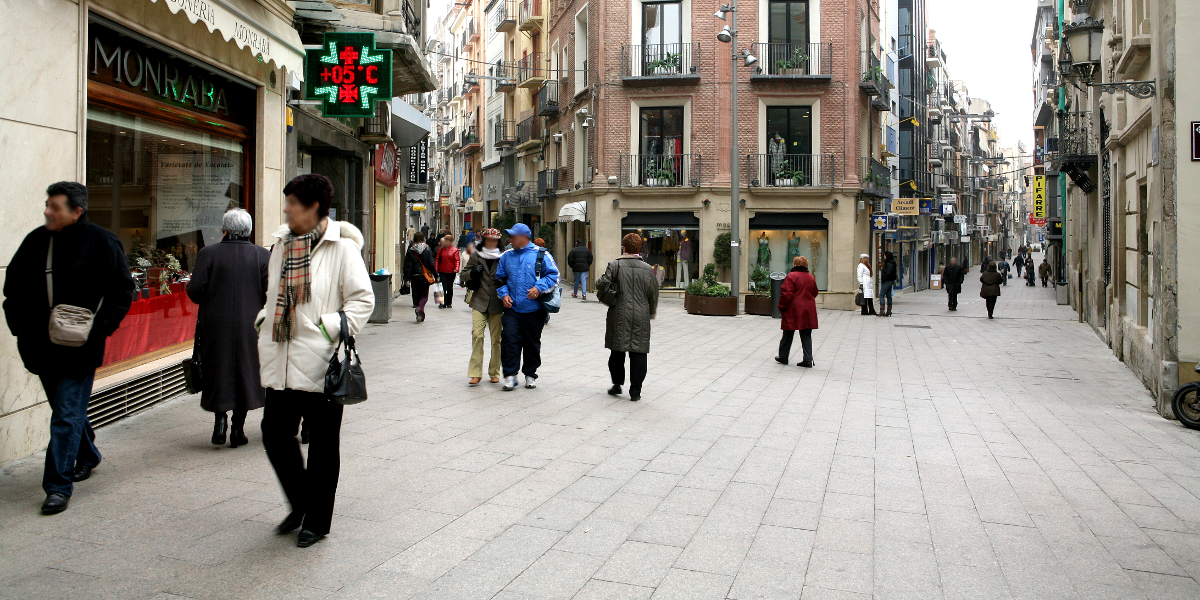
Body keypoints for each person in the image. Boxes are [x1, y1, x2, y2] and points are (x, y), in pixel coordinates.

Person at [3, 182, 135, 514]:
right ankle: (88, 454)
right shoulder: (36, 240)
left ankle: (57, 486)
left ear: (77, 211)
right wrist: (19, 328)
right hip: (39, 347)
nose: (48, 211)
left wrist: (100, 329)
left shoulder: (103, 242)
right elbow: (12, 289)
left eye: (55, 207)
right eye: (48, 204)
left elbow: (122, 292)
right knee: (68, 412)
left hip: (81, 348)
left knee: (65, 415)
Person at [257, 174, 373, 548]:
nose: (287, 209)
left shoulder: (342, 248)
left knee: (323, 447)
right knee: (274, 434)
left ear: (313, 208)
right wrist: (263, 318)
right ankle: (301, 502)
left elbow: (361, 300)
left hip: (322, 363)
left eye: (293, 202)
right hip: (281, 355)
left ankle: (316, 521)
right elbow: (272, 292)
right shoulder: (281, 243)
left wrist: (326, 329)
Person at [185, 209, 271, 448]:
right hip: (250, 324)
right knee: (245, 370)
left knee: (218, 369)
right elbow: (270, 291)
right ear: (249, 230)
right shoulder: (262, 255)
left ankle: (219, 422)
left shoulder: (208, 253)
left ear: (224, 229)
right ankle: (238, 429)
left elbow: (195, 290)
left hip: (215, 323)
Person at [495, 223, 559, 391]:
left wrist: (539, 287)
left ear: (523, 237)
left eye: (512, 236)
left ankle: (530, 374)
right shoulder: (506, 256)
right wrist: (504, 294)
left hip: (534, 309)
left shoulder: (542, 255)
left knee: (532, 343)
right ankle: (510, 376)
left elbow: (554, 275)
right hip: (512, 309)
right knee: (509, 340)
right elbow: (500, 278)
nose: (510, 239)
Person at [597, 233, 659, 401]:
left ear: (623, 247)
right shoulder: (648, 269)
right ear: (639, 248)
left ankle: (617, 384)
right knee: (638, 352)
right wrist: (651, 311)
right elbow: (653, 294)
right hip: (641, 314)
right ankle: (635, 391)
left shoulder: (614, 265)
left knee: (617, 350)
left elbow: (601, 283)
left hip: (619, 312)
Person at [462, 228, 505, 386]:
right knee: (477, 335)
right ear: (484, 240)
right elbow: (463, 275)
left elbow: (510, 275)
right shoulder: (476, 255)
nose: (491, 243)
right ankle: (475, 373)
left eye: (494, 240)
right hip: (479, 301)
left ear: (498, 242)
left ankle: (494, 372)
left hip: (497, 302)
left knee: (496, 340)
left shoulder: (504, 256)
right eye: (488, 240)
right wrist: (473, 272)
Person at [776, 256, 819, 368]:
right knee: (806, 334)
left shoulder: (791, 276)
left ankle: (783, 356)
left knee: (788, 333)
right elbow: (815, 292)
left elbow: (786, 294)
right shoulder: (810, 277)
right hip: (808, 309)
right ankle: (808, 359)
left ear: (795, 265)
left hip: (793, 309)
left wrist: (781, 306)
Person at [404, 233, 436, 321]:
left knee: (417, 296)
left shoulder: (411, 250)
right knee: (424, 295)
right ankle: (420, 308)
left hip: (414, 276)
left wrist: (407, 279)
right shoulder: (427, 248)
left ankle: (420, 315)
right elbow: (431, 263)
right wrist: (436, 275)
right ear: (423, 238)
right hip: (424, 276)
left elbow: (408, 266)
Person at [435, 234, 460, 308]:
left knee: (449, 287)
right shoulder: (441, 249)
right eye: (445, 241)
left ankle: (449, 302)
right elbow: (437, 259)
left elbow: (457, 260)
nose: (446, 242)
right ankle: (442, 302)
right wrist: (436, 269)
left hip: (451, 271)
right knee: (442, 287)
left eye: (448, 241)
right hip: (442, 270)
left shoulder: (455, 250)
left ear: (451, 242)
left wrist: (456, 268)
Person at [878, 251, 898, 317]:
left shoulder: (888, 263)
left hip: (887, 281)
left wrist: (883, 279)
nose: (884, 257)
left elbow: (888, 273)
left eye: (885, 255)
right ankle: (889, 310)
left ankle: (882, 310)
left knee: (881, 295)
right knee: (889, 295)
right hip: (891, 281)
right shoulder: (892, 262)